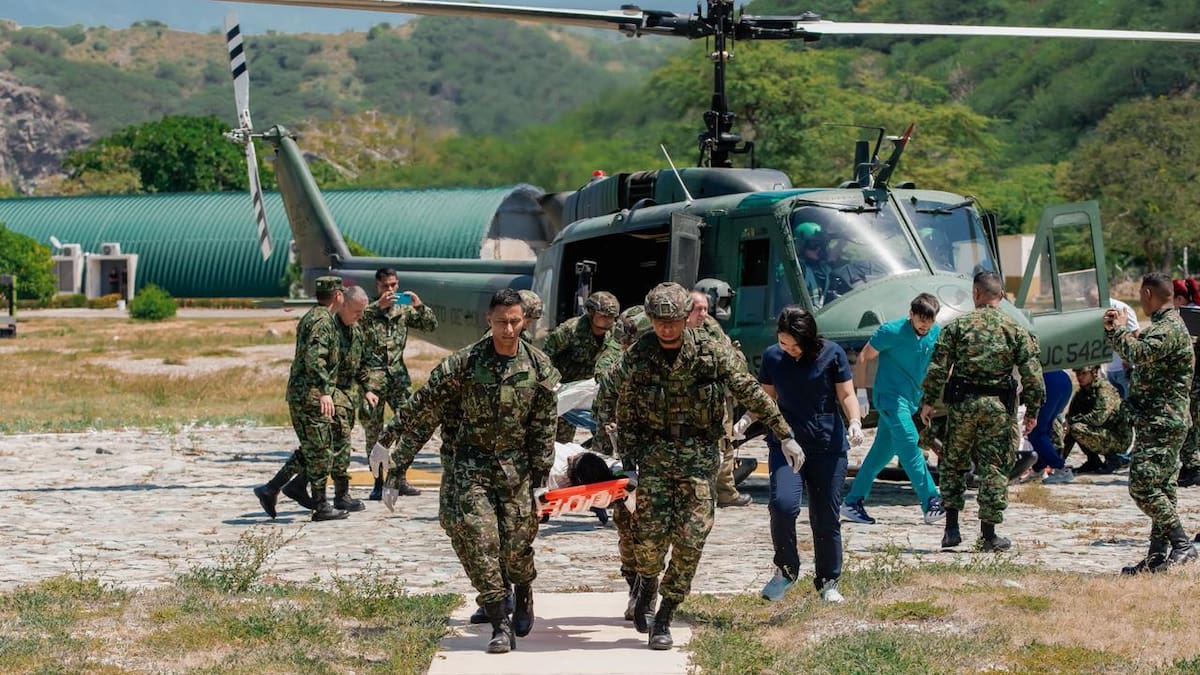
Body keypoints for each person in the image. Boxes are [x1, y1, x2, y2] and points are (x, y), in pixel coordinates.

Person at [372, 289, 559, 653]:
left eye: (515, 322)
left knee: (517, 548)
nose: (508, 329)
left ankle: (523, 592)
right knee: (480, 541)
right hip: (471, 467)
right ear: (488, 320)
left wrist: (541, 479)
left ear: (524, 321)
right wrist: (389, 444)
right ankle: (498, 622)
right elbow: (425, 405)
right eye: (502, 321)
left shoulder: (538, 367)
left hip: (516, 469)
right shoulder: (464, 364)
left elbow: (543, 427)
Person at [615, 282, 794, 650]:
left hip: (698, 454)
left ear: (686, 318)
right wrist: (627, 463)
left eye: (674, 321)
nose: (667, 328)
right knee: (649, 541)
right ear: (650, 320)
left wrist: (784, 432)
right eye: (659, 322)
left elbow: (748, 389)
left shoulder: (712, 352)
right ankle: (646, 584)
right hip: (654, 456)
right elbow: (625, 407)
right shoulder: (639, 356)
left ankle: (664, 614)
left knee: (692, 538)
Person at [920, 271, 1044, 552]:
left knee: (953, 463)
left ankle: (951, 529)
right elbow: (1033, 375)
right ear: (1000, 295)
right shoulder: (1014, 329)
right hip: (998, 409)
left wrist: (928, 401)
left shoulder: (958, 326)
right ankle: (989, 535)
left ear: (976, 293)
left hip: (963, 405)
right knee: (994, 467)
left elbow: (938, 367)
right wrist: (1033, 409)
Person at [754, 305, 863, 604]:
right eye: (783, 342)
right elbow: (765, 398)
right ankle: (786, 570)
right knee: (783, 506)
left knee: (826, 515)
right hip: (786, 444)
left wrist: (854, 421)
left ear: (809, 338)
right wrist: (745, 419)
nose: (788, 349)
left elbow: (847, 394)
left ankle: (828, 580)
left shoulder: (832, 354)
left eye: (794, 344)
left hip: (827, 445)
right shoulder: (773, 356)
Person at [1105, 273, 1197, 574]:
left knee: (1143, 485)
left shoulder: (1169, 327)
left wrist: (1118, 332)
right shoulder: (1163, 325)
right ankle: (1157, 554)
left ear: (1147, 294)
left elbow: (1140, 353)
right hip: (1159, 419)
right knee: (1164, 487)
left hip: (1164, 420)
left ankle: (1182, 544)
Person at [253, 275, 352, 522]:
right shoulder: (322, 321)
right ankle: (320, 506)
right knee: (321, 450)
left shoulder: (313, 316)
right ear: (338, 295)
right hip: (311, 395)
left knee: (313, 448)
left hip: (303, 394)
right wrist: (325, 391)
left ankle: (273, 488)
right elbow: (314, 359)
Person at [842, 293, 944, 525]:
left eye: (929, 323)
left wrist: (929, 400)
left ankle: (852, 502)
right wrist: (860, 394)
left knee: (881, 454)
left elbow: (937, 366)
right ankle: (931, 502)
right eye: (921, 322)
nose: (924, 328)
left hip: (911, 400)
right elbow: (864, 357)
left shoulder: (935, 332)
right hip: (889, 398)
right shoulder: (890, 331)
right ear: (911, 315)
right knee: (909, 443)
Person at [359, 268, 439, 501]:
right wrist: (378, 307)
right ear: (377, 287)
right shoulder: (367, 311)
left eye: (394, 285)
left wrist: (419, 305)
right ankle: (378, 482)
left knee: (409, 426)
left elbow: (430, 325)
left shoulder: (402, 311)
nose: (391, 290)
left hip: (398, 378)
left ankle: (400, 478)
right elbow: (352, 319)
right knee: (374, 431)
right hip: (372, 380)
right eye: (386, 286)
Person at [688, 285, 752, 508]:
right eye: (698, 308)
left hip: (719, 395)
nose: (703, 313)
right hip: (693, 401)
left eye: (705, 308)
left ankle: (725, 492)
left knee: (725, 443)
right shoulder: (677, 330)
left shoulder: (711, 327)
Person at [542, 290, 620, 442]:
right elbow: (544, 358)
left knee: (604, 437)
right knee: (560, 439)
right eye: (604, 316)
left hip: (593, 391)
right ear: (591, 313)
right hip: (565, 391)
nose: (609, 321)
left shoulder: (615, 332)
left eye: (612, 317)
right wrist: (551, 383)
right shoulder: (570, 330)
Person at [327, 285, 376, 513]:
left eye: (362, 312)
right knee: (332, 446)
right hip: (328, 396)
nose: (359, 316)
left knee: (337, 446)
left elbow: (361, 363)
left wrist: (367, 388)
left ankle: (280, 487)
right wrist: (325, 394)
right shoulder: (328, 329)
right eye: (356, 311)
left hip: (346, 397)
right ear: (343, 304)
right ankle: (339, 495)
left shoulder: (355, 331)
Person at [1064, 365, 1132, 474]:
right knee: (1072, 428)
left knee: (1076, 427)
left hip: (1118, 437)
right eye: (1077, 374)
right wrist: (1059, 462)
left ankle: (1113, 459)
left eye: (1084, 374)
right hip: (1103, 433)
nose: (1080, 377)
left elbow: (1098, 418)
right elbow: (1069, 419)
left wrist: (1072, 421)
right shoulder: (1081, 394)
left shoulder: (1104, 389)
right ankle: (1093, 461)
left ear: (1094, 372)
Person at [1028, 370, 1075, 484]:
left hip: (1048, 382)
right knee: (1045, 429)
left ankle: (1061, 468)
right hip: (1062, 379)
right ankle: (1039, 468)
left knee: (1036, 433)